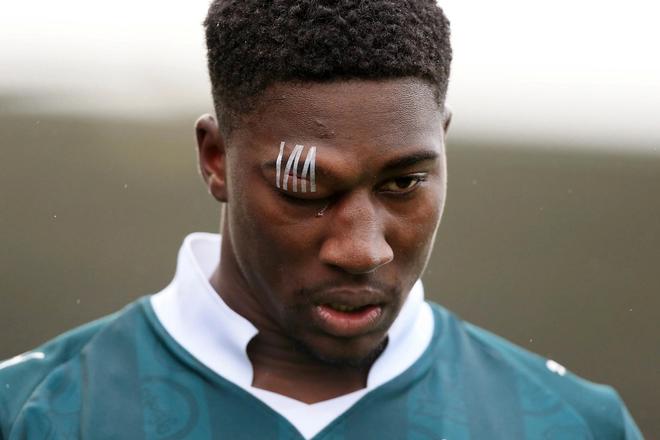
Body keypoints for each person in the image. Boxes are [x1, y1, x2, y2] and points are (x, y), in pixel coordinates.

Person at [0, 1, 643, 438]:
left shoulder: (573, 425)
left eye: (403, 183)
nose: (363, 250)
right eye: (305, 188)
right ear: (216, 159)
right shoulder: (33, 414)